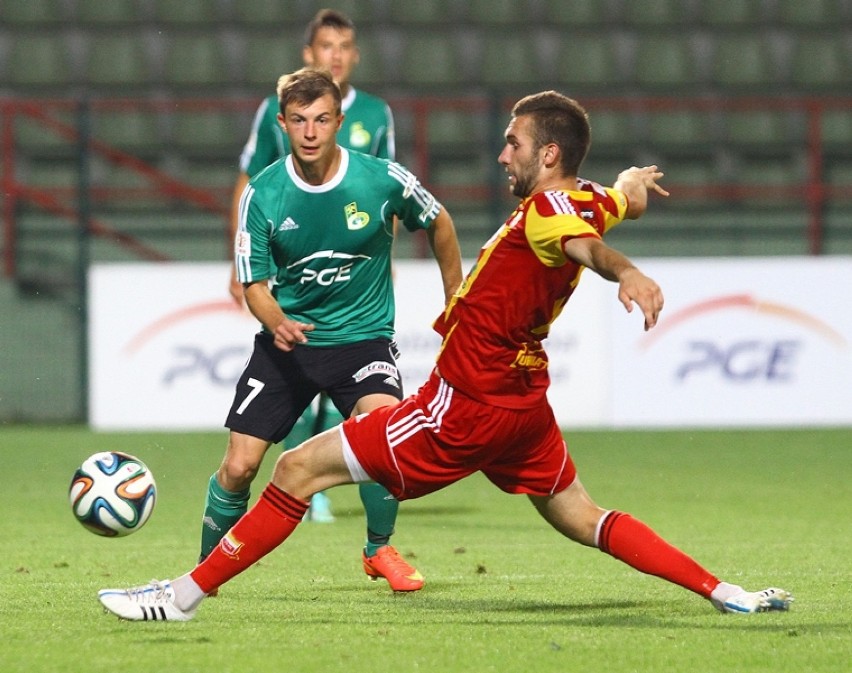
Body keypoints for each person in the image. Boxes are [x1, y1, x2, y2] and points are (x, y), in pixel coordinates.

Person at [99, 90, 792, 621]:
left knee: (296, 467)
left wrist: (627, 272)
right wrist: (633, 186)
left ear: (547, 154)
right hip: (523, 406)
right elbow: (619, 203)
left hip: (462, 407)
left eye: (512, 142)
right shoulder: (586, 197)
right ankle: (724, 590)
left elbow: (589, 247)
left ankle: (181, 596)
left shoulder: (553, 214)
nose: (501, 154)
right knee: (585, 515)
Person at [199, 66, 462, 594]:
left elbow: (439, 222)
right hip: (287, 344)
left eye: (322, 119)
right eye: (299, 121)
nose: (311, 132)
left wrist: (456, 297)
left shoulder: (382, 179)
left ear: (340, 120)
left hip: (362, 340)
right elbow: (253, 286)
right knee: (239, 466)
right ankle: (205, 570)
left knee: (386, 439)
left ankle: (378, 549)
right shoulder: (265, 194)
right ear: (283, 123)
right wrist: (277, 320)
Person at [223, 8, 394, 526]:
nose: (335, 55)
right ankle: (306, 486)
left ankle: (339, 503)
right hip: (290, 263)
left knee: (343, 375)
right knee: (297, 361)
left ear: (355, 56)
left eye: (344, 47)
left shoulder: (377, 115)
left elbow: (389, 190)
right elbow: (250, 180)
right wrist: (239, 263)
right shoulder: (279, 112)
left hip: (349, 272)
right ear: (309, 54)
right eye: (326, 46)